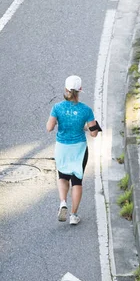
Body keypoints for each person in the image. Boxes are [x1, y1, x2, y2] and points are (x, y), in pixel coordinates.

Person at [46, 75, 100, 225]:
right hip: (79, 149)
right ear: (80, 90)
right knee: (77, 181)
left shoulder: (57, 107)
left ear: (65, 89)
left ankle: (63, 202)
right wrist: (84, 127)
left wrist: (58, 121)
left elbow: (49, 128)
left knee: (63, 177)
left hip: (62, 148)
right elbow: (94, 133)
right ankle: (73, 215)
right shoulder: (86, 110)